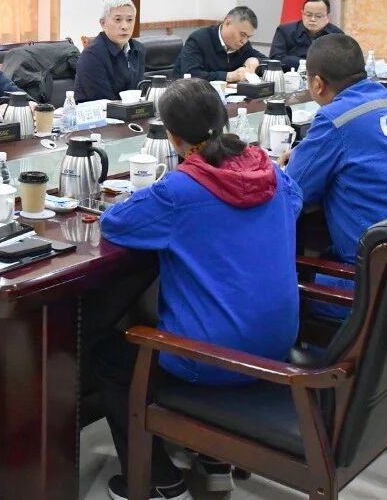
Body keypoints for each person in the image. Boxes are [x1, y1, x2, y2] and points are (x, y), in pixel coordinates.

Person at [95, 78, 302, 500]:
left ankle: (158, 480)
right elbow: (294, 203)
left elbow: (115, 224)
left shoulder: (180, 190)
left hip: (211, 361)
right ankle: (213, 456)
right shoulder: (271, 172)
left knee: (110, 354)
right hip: (276, 345)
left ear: (172, 137)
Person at [284, 34, 387, 315]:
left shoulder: (335, 117)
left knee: (280, 292)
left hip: (381, 282)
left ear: (317, 83)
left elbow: (293, 190)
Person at [74, 0, 145, 103]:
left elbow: (140, 90)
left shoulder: (138, 50)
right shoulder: (91, 55)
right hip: (100, 112)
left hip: (131, 110)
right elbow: (102, 100)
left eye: (130, 20)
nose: (125, 26)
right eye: (118, 20)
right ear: (103, 23)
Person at [172, 4, 267, 82]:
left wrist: (256, 61)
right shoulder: (199, 39)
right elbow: (191, 75)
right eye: (242, 34)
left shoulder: (243, 45)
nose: (244, 41)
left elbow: (271, 63)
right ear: (227, 23)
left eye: (248, 37)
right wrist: (229, 76)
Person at [267, 0, 344, 71]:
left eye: (318, 16)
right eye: (308, 15)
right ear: (302, 14)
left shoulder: (337, 35)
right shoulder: (285, 31)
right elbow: (275, 59)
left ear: (328, 17)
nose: (313, 19)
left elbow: (342, 63)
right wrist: (308, 64)